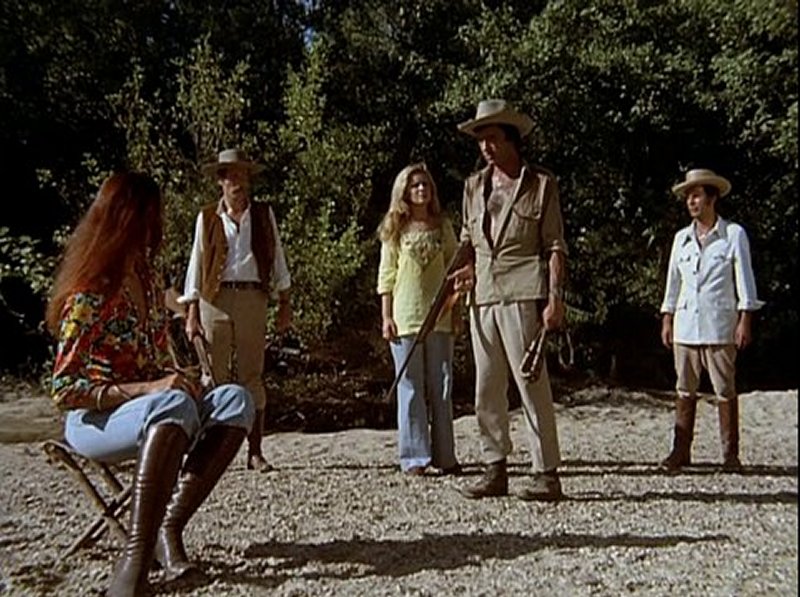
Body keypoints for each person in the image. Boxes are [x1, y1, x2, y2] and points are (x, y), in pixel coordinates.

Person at [46, 172, 255, 596]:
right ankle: (135, 562)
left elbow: (157, 361)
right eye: (150, 216)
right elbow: (66, 389)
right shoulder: (89, 292)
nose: (156, 227)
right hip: (95, 420)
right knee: (170, 404)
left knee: (236, 399)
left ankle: (167, 529)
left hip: (153, 410)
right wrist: (149, 389)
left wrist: (183, 381)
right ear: (128, 219)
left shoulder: (144, 279)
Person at [451, 99, 568, 501]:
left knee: (531, 383)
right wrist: (464, 269)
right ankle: (494, 466)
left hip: (523, 291)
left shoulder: (541, 184)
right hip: (482, 295)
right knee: (486, 387)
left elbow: (555, 246)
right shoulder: (473, 186)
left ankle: (546, 472)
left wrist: (555, 299)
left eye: (493, 138)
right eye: (481, 140)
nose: (486, 146)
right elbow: (468, 239)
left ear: (512, 138)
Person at [180, 148, 292, 472]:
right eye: (230, 176)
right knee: (213, 376)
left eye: (241, 175)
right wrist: (191, 312)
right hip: (214, 299)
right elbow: (196, 264)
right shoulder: (207, 217)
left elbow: (277, 256)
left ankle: (254, 451)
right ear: (221, 181)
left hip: (252, 297)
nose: (237, 182)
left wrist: (284, 302)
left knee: (251, 375)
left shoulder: (263, 215)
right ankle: (209, 451)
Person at [660, 168, 763, 471]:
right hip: (686, 324)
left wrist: (745, 318)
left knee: (724, 388)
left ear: (711, 198)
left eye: (696, 196)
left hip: (719, 324)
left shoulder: (733, 234)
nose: (691, 202)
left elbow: (744, 280)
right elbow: (673, 282)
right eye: (688, 197)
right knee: (684, 388)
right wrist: (667, 317)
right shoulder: (681, 239)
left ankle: (730, 454)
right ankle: (680, 450)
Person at [377, 162, 461, 476]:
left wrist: (457, 311)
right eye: (415, 185)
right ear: (405, 192)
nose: (421, 190)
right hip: (405, 317)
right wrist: (386, 316)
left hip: (440, 315)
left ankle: (445, 456)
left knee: (442, 386)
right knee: (410, 388)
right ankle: (414, 457)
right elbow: (386, 276)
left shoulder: (443, 227)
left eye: (426, 184)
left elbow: (455, 270)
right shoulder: (394, 229)